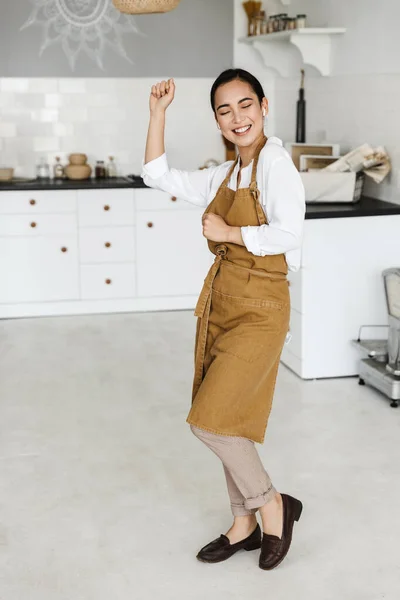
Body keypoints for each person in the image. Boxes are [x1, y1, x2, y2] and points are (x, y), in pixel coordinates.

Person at [142, 68, 305, 570]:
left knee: (211, 423)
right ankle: (243, 524)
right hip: (223, 304)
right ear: (217, 120)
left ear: (264, 106)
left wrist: (230, 233)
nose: (237, 117)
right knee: (227, 419)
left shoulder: (276, 162)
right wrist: (157, 114)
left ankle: (272, 503)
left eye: (245, 105)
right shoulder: (228, 173)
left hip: (261, 309)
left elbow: (288, 235)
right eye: (224, 110)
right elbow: (157, 175)